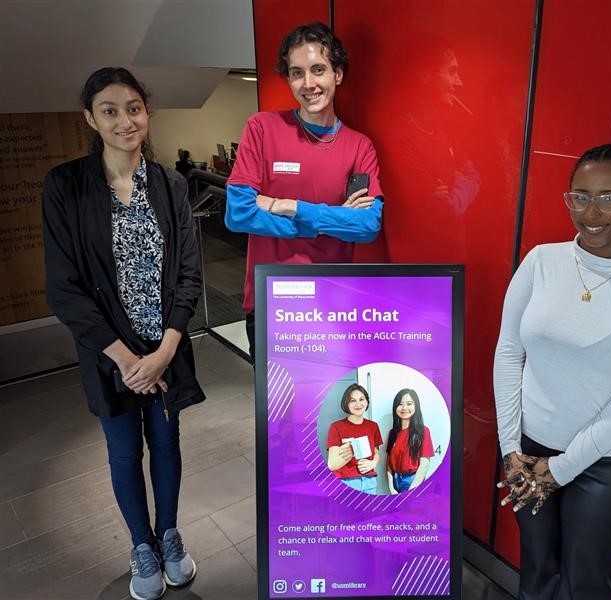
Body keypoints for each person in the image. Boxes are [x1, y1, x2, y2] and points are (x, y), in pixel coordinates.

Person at [42, 67, 204, 600]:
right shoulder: (66, 186)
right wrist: (128, 360)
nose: (124, 119)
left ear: (147, 112)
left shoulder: (171, 183)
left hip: (167, 349)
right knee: (122, 452)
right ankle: (141, 544)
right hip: (110, 358)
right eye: (109, 110)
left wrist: (164, 351)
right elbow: (65, 290)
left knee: (166, 443)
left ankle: (170, 535)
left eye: (133, 107)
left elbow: (188, 274)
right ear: (91, 118)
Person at [493, 144, 611, 599]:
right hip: (528, 450)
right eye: (581, 195)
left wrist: (560, 469)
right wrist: (511, 448)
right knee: (538, 573)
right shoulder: (541, 261)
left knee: (587, 584)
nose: (592, 211)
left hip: (606, 465)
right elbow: (508, 353)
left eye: (610, 197)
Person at [224, 22, 384, 360]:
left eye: (318, 70)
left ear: (337, 74)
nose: (308, 84)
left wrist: (289, 206)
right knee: (281, 412)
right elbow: (238, 213)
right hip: (272, 302)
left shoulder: (359, 147)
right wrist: (332, 219)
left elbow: (368, 226)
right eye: (297, 73)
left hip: (333, 305)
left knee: (332, 409)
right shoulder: (262, 128)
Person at [325, 384, 382, 494]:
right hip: (346, 483)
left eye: (361, 399)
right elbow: (332, 465)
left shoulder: (373, 426)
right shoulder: (336, 427)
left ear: (366, 402)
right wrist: (351, 450)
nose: (358, 404)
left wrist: (373, 463)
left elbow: (376, 452)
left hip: (369, 482)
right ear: (346, 403)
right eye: (352, 400)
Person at [385, 388, 435, 493]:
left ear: (416, 406)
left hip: (413, 481)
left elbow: (424, 464)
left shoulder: (423, 431)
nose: (404, 408)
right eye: (400, 404)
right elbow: (388, 464)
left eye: (409, 404)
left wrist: (411, 491)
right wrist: (391, 487)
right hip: (395, 481)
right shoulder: (393, 433)